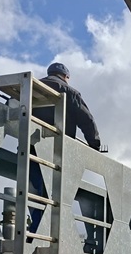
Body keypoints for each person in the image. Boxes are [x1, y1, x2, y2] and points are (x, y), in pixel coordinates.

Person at [28, 62, 102, 235]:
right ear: (66, 77)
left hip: (29, 148)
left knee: (35, 191)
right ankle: (37, 234)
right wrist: (94, 146)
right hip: (57, 153)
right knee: (52, 194)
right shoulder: (70, 92)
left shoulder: (32, 86)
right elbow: (87, 121)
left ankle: (31, 232)